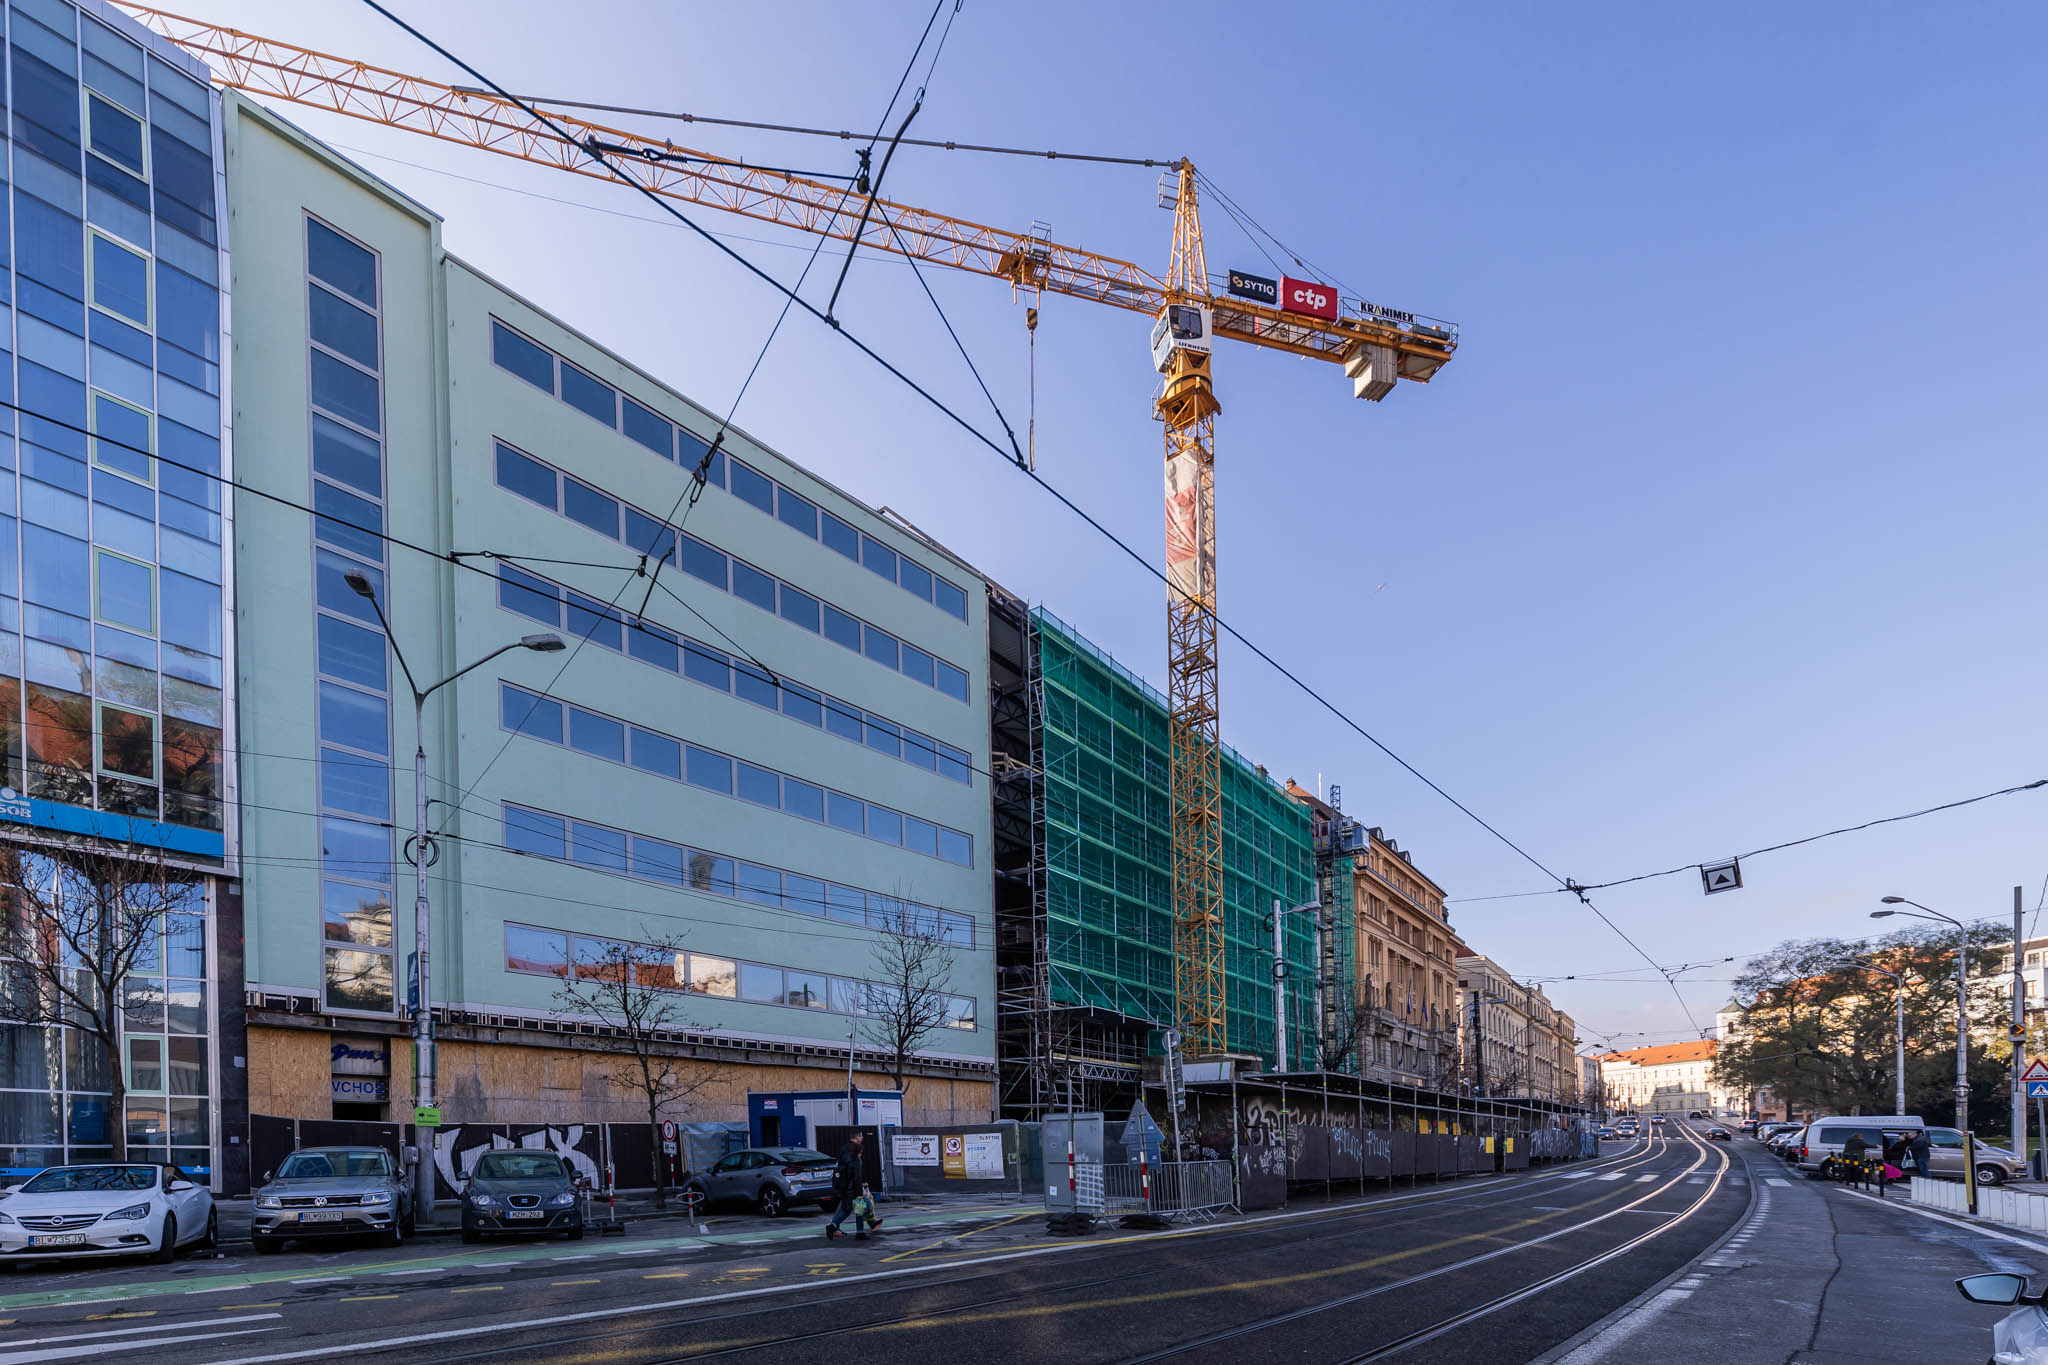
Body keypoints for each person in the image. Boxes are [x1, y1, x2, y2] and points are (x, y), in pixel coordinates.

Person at [825, 1131, 884, 1241]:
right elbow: (856, 1177)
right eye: (861, 1136)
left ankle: (838, 1227)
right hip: (851, 1187)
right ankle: (853, 1230)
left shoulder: (843, 1149)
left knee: (849, 1208)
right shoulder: (855, 1160)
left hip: (842, 1185)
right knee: (857, 1208)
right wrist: (859, 1193)